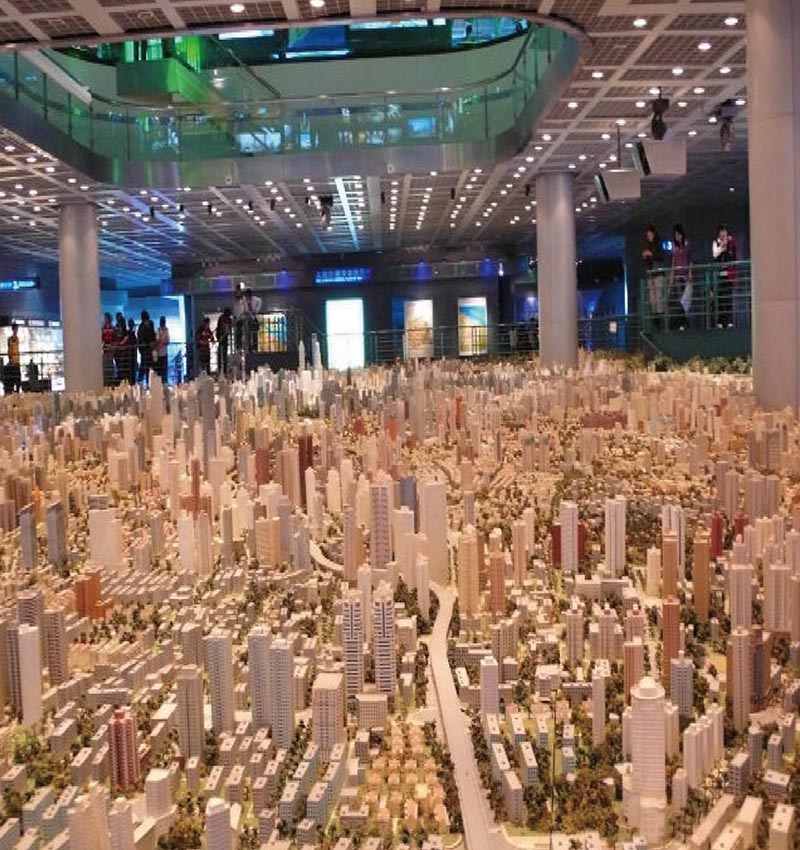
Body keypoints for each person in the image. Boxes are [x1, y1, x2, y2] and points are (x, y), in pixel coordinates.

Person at [712, 223, 737, 327]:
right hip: (719, 274)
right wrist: (722, 246)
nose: (723, 233)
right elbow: (715, 254)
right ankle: (721, 321)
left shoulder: (731, 242)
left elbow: (734, 256)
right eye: (721, 231)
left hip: (729, 274)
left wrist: (728, 243)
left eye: (725, 231)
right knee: (721, 298)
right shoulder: (715, 242)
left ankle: (729, 320)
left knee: (728, 297)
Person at [642, 225, 666, 330]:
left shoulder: (659, 244)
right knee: (652, 299)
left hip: (658, 273)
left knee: (658, 297)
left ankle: (659, 318)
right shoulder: (648, 246)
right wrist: (646, 256)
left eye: (650, 235)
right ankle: (655, 316)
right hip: (651, 274)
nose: (649, 237)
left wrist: (651, 254)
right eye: (647, 235)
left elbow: (660, 257)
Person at [670, 224, 693, 329]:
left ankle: (684, 322)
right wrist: (672, 276)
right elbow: (673, 262)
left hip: (685, 275)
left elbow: (690, 259)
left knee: (685, 300)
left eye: (678, 234)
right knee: (679, 300)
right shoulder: (674, 247)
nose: (677, 237)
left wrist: (690, 272)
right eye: (675, 235)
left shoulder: (687, 245)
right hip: (677, 276)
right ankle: (683, 322)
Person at [137, 310, 156, 384]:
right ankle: (141, 382)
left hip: (150, 349)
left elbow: (153, 334)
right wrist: (148, 343)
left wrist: (153, 342)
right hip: (144, 349)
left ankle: (150, 382)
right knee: (144, 366)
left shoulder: (151, 324)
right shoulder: (141, 327)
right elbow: (141, 338)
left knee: (151, 366)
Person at [216, 307, 233, 377]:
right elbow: (219, 328)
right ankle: (220, 371)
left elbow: (230, 328)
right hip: (220, 336)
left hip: (225, 337)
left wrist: (227, 332)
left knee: (224, 356)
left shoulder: (229, 320)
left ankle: (225, 371)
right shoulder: (221, 318)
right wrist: (219, 337)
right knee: (220, 355)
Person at [101, 313, 116, 386]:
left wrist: (113, 346)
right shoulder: (103, 328)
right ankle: (106, 381)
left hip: (110, 349)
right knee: (105, 365)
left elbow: (114, 338)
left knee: (110, 364)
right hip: (105, 348)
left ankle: (111, 381)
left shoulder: (112, 328)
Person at [6, 323, 21, 393]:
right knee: (14, 377)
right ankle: (13, 391)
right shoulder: (10, 339)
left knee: (18, 378)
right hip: (13, 361)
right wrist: (10, 359)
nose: (16, 330)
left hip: (17, 360)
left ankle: (17, 391)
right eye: (15, 329)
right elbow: (9, 350)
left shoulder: (17, 338)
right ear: (13, 329)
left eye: (17, 329)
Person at [155, 316, 170, 382]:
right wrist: (162, 342)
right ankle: (159, 381)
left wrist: (163, 342)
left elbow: (168, 340)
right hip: (159, 353)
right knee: (159, 369)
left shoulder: (166, 330)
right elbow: (157, 340)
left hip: (164, 352)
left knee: (164, 369)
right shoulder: (158, 330)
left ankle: (164, 381)